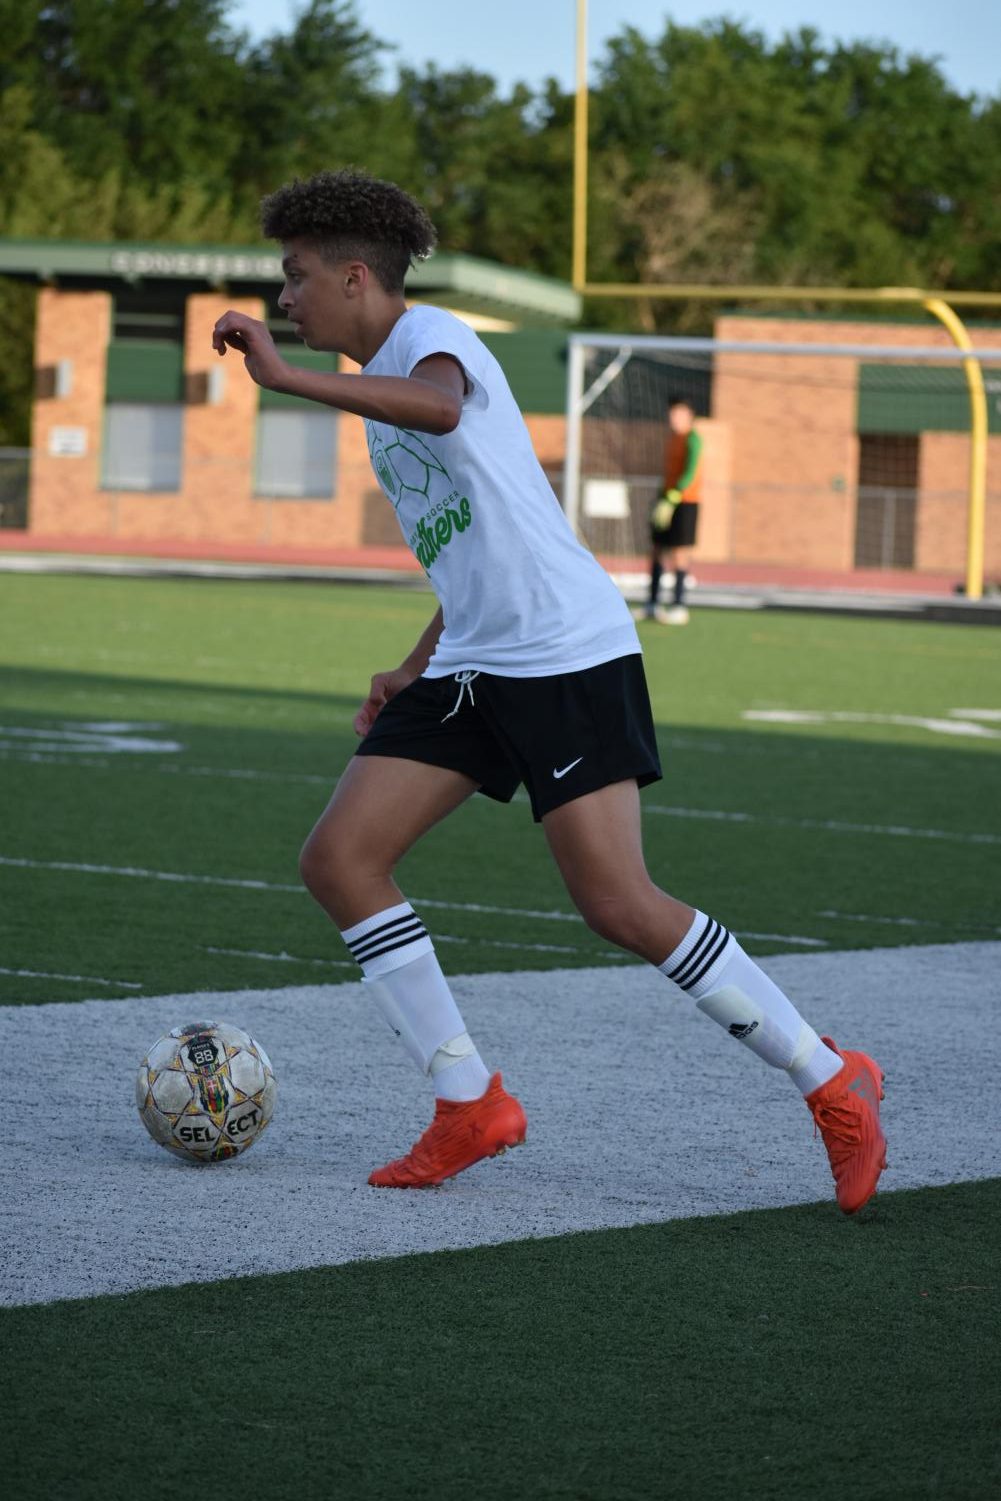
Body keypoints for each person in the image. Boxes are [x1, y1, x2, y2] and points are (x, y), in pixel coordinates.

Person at [211, 168, 886, 1212]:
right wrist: (414, 658)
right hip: (474, 660)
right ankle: (466, 1100)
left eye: (295, 278)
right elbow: (474, 543)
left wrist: (286, 382)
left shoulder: (433, 343)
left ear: (355, 278)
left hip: (565, 655)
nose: (283, 300)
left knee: (616, 903)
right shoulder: (379, 385)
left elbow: (436, 408)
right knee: (340, 858)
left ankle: (830, 1079)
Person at [642, 396, 702, 625]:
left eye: (678, 414)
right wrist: (661, 498)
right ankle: (652, 603)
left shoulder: (693, 438)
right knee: (657, 549)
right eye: (671, 414)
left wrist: (675, 494)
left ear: (689, 416)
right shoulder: (672, 439)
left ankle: (678, 605)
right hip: (667, 498)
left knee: (679, 552)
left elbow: (691, 470)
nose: (673, 418)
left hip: (685, 502)